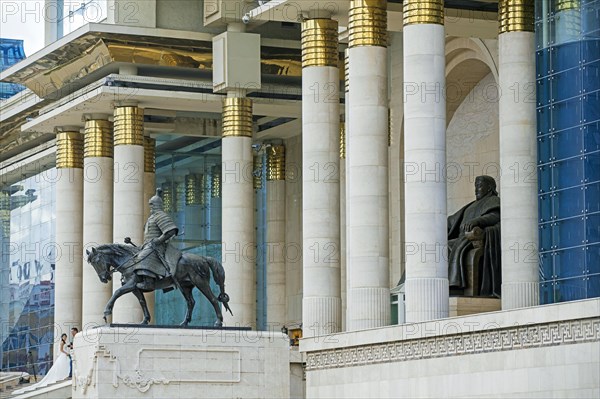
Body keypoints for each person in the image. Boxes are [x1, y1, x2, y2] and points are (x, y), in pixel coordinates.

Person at [447, 175, 501, 297]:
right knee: (441, 247)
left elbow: (494, 216)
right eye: (475, 186)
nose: (476, 189)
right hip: (461, 238)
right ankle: (449, 284)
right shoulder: (471, 205)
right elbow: (452, 221)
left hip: (472, 239)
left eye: (480, 186)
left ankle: (455, 284)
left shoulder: (493, 200)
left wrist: (477, 221)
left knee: (448, 247)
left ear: (489, 188)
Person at [131, 188, 180, 290]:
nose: (150, 207)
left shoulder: (160, 216)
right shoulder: (151, 217)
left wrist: (158, 240)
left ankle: (148, 282)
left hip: (158, 246)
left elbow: (171, 231)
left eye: (152, 204)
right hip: (148, 244)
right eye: (150, 205)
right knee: (133, 256)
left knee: (143, 257)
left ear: (156, 205)